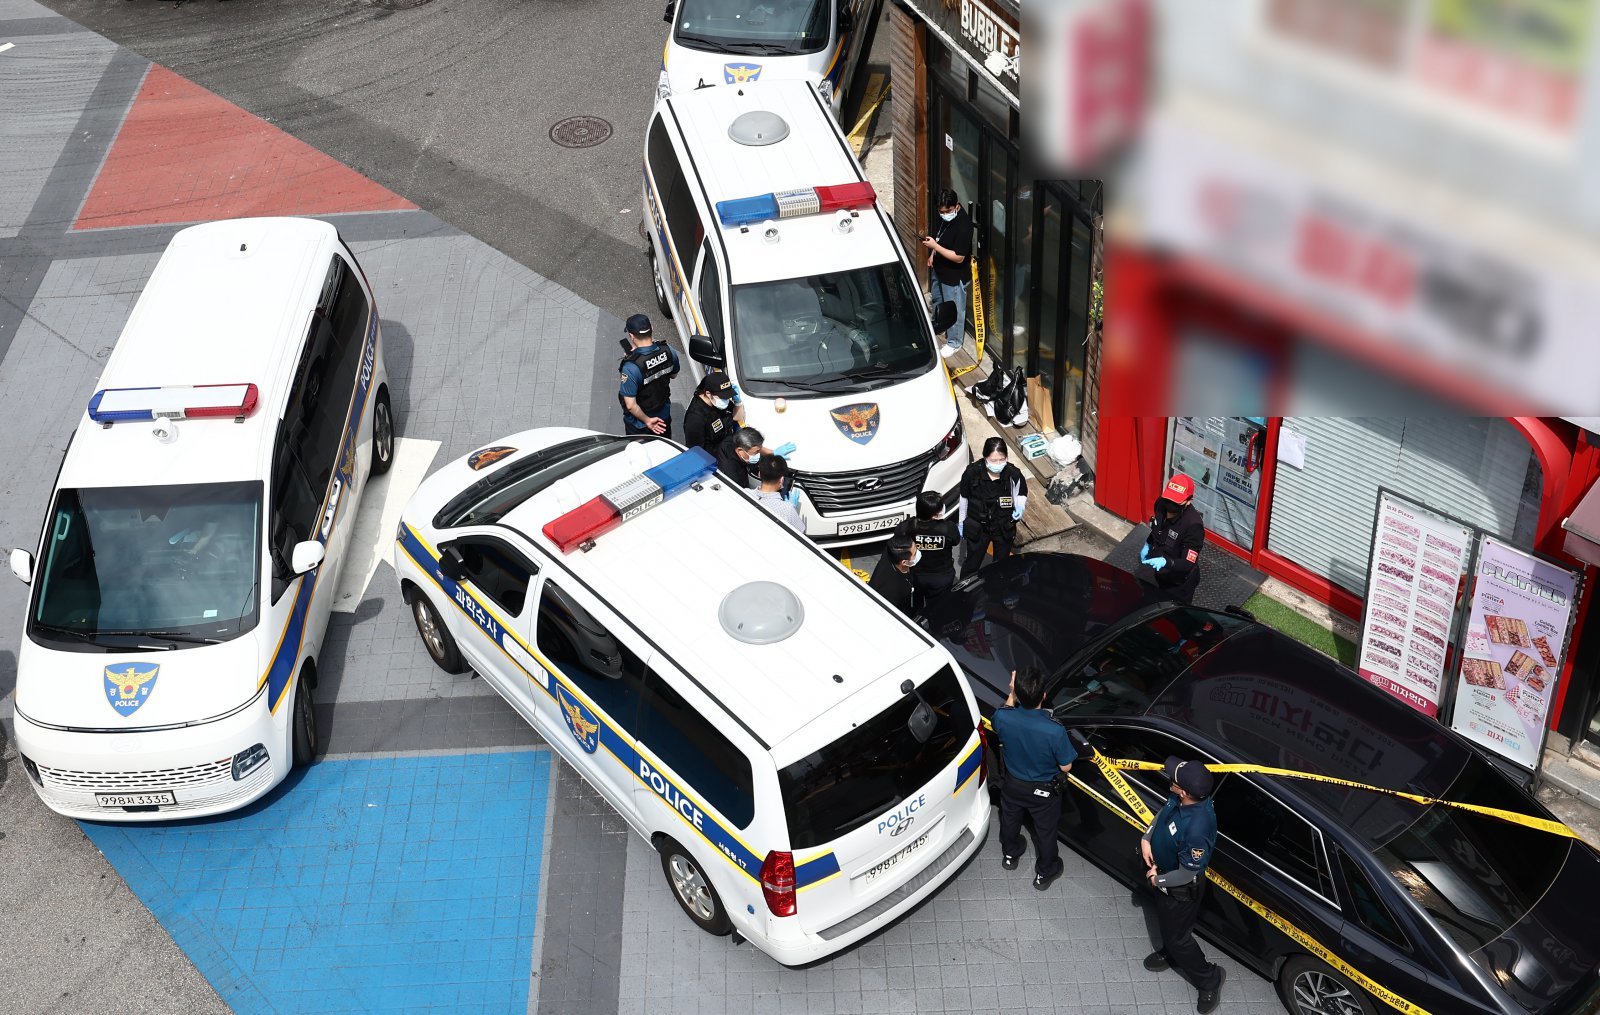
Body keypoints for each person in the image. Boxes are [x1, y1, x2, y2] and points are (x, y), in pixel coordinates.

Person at [1141, 757, 1225, 1014]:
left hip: (1178, 888)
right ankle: (1171, 951)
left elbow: (1187, 873)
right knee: (1169, 926)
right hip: (1164, 878)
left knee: (1179, 938)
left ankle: (1209, 978)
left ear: (1184, 791)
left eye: (1174, 780)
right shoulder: (1181, 799)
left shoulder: (1198, 827)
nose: (1170, 780)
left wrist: (1157, 880)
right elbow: (1162, 813)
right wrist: (1147, 837)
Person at [989, 666, 1075, 891]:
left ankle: (1010, 854)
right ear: (1044, 696)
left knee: (1009, 820)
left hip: (1012, 785)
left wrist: (1012, 693)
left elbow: (1002, 714)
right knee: (1045, 833)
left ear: (1017, 692)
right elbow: (1066, 766)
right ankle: (1045, 873)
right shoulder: (1054, 730)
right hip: (1043, 792)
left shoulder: (1003, 717)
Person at [958, 437, 1027, 578]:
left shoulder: (1013, 473)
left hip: (1003, 527)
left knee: (1001, 565)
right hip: (978, 527)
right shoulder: (972, 473)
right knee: (972, 563)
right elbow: (964, 498)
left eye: (1002, 459)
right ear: (985, 458)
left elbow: (1021, 493)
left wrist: (1020, 508)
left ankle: (997, 589)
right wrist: (961, 521)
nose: (998, 464)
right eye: (994, 460)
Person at [1138, 474, 1205, 605]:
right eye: (1169, 500)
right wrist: (1148, 543)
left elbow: (1187, 563)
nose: (1170, 506)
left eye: (1176, 502)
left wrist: (1165, 562)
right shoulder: (1160, 504)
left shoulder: (1194, 526)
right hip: (1160, 574)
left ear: (1188, 501)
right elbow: (1157, 529)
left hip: (1178, 583)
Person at [922, 188, 972, 360]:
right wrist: (932, 254)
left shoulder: (964, 226)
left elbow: (958, 257)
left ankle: (954, 342)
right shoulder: (944, 217)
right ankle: (939, 325)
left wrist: (935, 248)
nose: (944, 214)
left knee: (955, 309)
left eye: (948, 211)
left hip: (954, 275)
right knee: (938, 300)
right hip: (940, 268)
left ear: (956, 206)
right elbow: (939, 236)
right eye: (941, 211)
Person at [617, 313, 680, 439]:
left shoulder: (631, 367)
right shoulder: (668, 350)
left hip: (640, 425)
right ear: (652, 328)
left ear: (631, 336)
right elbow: (674, 375)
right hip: (663, 417)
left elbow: (630, 405)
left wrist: (647, 421)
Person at [892, 491, 958, 608]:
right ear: (936, 513)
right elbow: (956, 541)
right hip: (941, 576)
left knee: (917, 604)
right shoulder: (948, 528)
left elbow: (898, 541)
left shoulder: (905, 527)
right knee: (938, 607)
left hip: (915, 575)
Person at [714, 426, 796, 491]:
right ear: (740, 451)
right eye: (756, 452)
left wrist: (772, 452)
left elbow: (755, 447)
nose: (759, 454)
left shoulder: (735, 439)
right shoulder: (734, 476)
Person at [682, 369, 743, 451]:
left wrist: (738, 402)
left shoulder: (719, 401)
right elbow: (696, 452)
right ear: (708, 394)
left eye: (728, 396)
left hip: (727, 446)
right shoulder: (695, 419)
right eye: (722, 397)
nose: (726, 400)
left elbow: (738, 418)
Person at [750, 455, 804, 533]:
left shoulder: (744, 492)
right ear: (782, 480)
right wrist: (793, 509)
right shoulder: (788, 510)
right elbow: (800, 533)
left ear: (759, 474)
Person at [868, 536, 917, 615]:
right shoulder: (894, 590)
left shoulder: (891, 552)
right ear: (904, 562)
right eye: (915, 554)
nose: (917, 554)